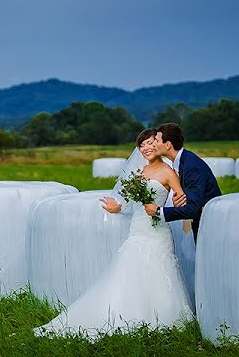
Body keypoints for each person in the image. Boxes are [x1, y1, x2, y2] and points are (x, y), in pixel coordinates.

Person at [34, 128, 194, 338]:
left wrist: (182, 219)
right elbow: (129, 200)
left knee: (160, 270)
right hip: (137, 229)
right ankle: (130, 316)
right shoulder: (139, 173)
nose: (146, 148)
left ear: (157, 145)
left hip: (158, 231)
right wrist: (117, 207)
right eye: (141, 145)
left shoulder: (168, 172)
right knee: (130, 272)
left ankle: (162, 320)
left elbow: (182, 199)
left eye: (149, 143)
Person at [143, 123, 222, 241]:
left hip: (210, 227)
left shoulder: (191, 166)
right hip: (202, 224)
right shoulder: (182, 161)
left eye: (157, 141)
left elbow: (192, 209)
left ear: (168, 145)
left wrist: (159, 211)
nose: (154, 144)